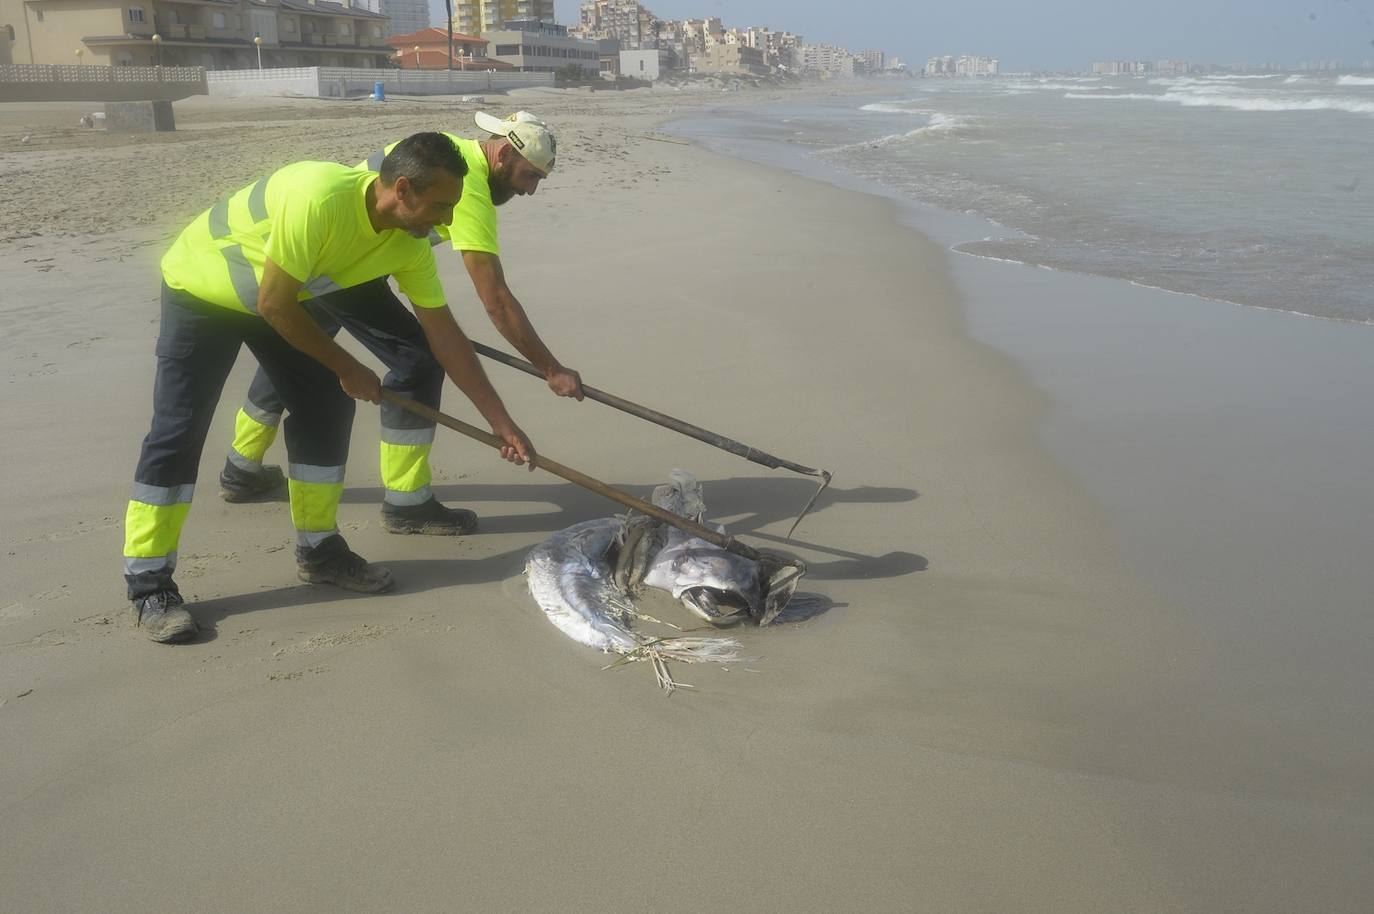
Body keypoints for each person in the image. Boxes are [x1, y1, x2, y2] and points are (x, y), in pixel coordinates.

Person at [123, 132, 535, 643]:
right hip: (202, 290)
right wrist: (348, 367)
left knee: (325, 410)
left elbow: (444, 336)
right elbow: (275, 305)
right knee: (179, 430)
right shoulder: (318, 196)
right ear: (402, 189)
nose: (447, 221)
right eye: (440, 206)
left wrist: (501, 424)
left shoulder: (407, 247)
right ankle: (149, 586)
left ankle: (319, 551)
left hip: (274, 297)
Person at [217, 110, 583, 537]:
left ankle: (241, 467)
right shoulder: (466, 193)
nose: (531, 190)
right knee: (419, 363)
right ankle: (407, 503)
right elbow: (496, 301)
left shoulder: (442, 148)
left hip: (325, 254)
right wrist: (550, 370)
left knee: (303, 344)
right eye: (529, 175)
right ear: (503, 154)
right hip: (342, 262)